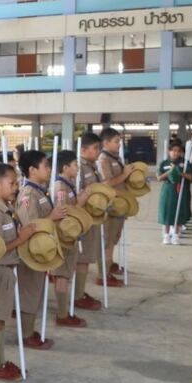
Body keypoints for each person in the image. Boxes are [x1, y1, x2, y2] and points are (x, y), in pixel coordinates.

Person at [0, 162, 34, 381]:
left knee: (1, 317)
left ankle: (0, 360)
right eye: (11, 183)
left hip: (7, 269)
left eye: (16, 183)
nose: (16, 187)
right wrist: (22, 239)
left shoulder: (8, 209)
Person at [15, 150, 67, 349]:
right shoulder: (28, 194)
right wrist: (51, 217)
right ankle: (26, 334)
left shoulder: (39, 191)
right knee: (30, 292)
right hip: (31, 251)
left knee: (37, 290)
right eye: (45, 166)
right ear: (32, 170)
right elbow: (30, 226)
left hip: (41, 249)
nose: (49, 169)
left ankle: (30, 330)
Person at [51, 150, 89, 327]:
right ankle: (62, 314)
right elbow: (63, 213)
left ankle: (64, 311)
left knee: (65, 275)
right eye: (74, 165)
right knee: (62, 276)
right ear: (65, 167)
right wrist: (81, 201)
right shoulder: (61, 187)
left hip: (70, 236)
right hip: (63, 237)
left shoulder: (69, 184)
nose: (78, 167)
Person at [96, 128, 134, 286]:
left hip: (120, 204)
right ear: (105, 143)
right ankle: (103, 274)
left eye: (120, 141)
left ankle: (109, 264)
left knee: (114, 238)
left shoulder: (115, 157)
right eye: (116, 141)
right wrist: (125, 174)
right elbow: (106, 183)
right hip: (111, 205)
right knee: (108, 240)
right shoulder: (103, 159)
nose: (119, 144)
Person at [74, 133, 104, 311]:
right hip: (83, 218)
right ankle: (77, 295)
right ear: (84, 149)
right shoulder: (79, 168)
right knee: (82, 259)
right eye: (96, 148)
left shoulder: (92, 166)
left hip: (92, 217)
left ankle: (79, 292)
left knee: (85, 258)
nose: (99, 151)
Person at [157, 143, 192, 245]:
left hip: (181, 190)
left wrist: (179, 172)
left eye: (178, 151)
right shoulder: (164, 163)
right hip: (168, 190)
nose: (176, 153)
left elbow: (191, 177)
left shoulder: (185, 163)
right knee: (167, 213)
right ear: (169, 151)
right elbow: (159, 178)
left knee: (179, 212)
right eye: (173, 150)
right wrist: (170, 171)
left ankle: (176, 235)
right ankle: (166, 235)